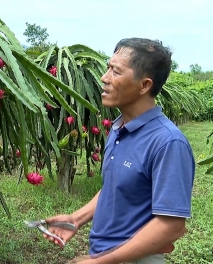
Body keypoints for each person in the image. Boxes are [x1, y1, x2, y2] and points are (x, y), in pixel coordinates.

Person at [43, 38, 195, 264]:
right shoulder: (118, 128)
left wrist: (99, 262)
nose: (104, 78)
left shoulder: (168, 142)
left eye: (116, 72)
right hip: (106, 254)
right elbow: (115, 187)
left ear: (144, 85)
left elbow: (171, 225)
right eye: (108, 68)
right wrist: (75, 219)